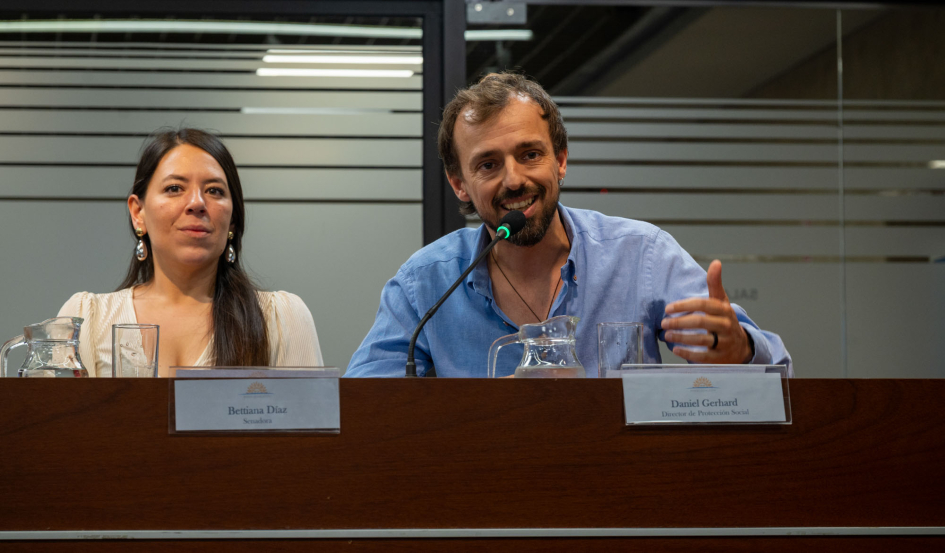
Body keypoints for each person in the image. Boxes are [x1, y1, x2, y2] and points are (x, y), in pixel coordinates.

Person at [346, 73, 792, 378]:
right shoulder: (426, 284)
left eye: (530, 154)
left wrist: (739, 353)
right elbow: (362, 408)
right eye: (488, 164)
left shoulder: (642, 255)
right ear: (460, 184)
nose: (514, 178)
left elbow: (778, 373)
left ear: (560, 160)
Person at [59, 128, 322, 377]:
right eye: (174, 188)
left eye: (214, 191)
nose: (197, 203)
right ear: (138, 213)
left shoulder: (281, 319)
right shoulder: (85, 320)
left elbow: (310, 422)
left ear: (232, 220)